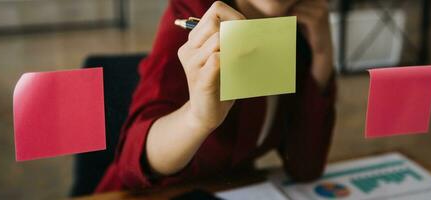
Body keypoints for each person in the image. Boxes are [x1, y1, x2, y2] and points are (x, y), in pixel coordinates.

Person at [95, 0, 336, 192]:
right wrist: (197, 118)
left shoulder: (302, 32)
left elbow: (305, 168)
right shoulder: (197, 12)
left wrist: (322, 54)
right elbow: (131, 161)